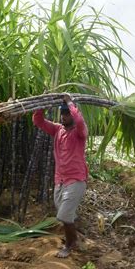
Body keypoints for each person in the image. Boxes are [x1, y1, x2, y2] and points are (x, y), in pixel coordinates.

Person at [32, 93, 88, 258]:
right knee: (64, 211)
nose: (64, 117)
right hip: (60, 179)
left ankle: (70, 244)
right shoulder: (57, 129)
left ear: (72, 113)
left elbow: (79, 121)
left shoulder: (80, 132)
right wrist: (43, 104)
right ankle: (77, 233)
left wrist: (70, 102)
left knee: (63, 215)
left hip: (76, 179)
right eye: (62, 113)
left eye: (67, 114)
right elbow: (38, 121)